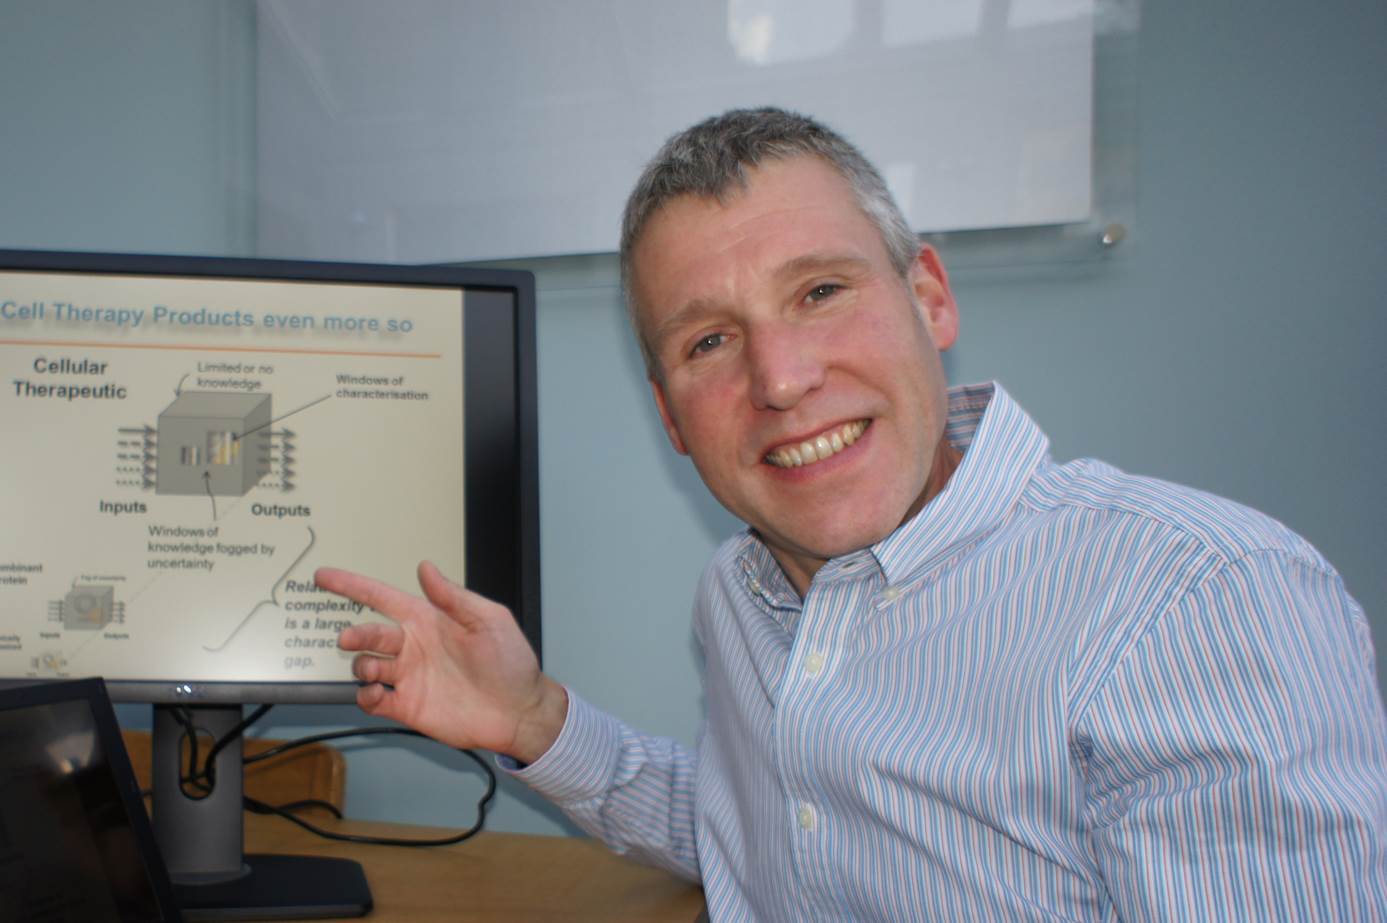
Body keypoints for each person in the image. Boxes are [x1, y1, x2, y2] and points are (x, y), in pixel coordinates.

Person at [315, 107, 1387, 921]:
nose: (780, 379)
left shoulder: (1199, 600)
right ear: (670, 416)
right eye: (708, 341)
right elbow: (765, 832)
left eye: (821, 291)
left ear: (929, 297)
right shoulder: (740, 590)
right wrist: (534, 720)